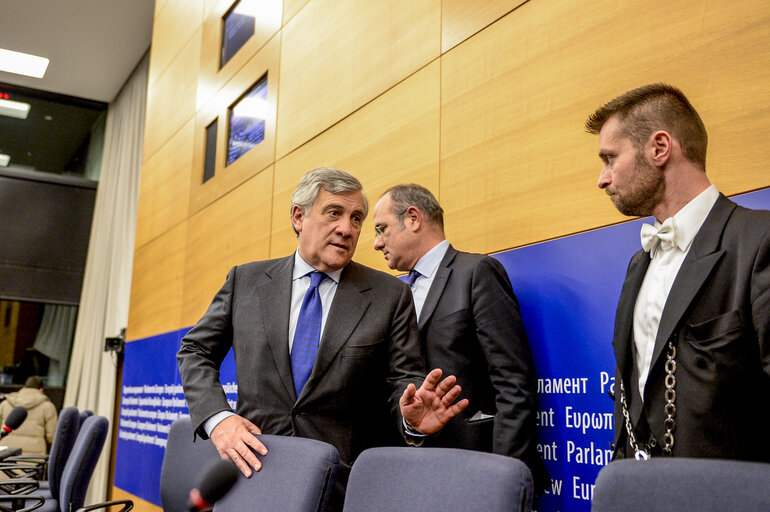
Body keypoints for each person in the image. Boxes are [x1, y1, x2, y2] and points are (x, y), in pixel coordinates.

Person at [177, 168, 468, 508]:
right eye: (334, 213)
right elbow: (195, 350)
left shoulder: (389, 296)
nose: (347, 228)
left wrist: (410, 418)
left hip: (341, 489)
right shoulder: (247, 281)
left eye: (356, 218)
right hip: (253, 475)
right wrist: (218, 419)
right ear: (299, 216)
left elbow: (403, 380)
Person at [586, 83, 770, 461]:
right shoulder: (639, 262)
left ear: (659, 148)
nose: (602, 179)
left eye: (610, 158)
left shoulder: (759, 242)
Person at [372, 184, 549, 492]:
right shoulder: (395, 295)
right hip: (411, 470)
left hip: (475, 471)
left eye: (381, 229)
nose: (376, 243)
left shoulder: (476, 272)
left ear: (413, 218)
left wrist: (503, 478)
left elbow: (513, 385)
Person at [0, 376, 57, 454]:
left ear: (24, 387)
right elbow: (52, 437)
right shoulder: (48, 407)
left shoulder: (5, 404)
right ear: (41, 389)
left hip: (5, 453)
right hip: (32, 457)